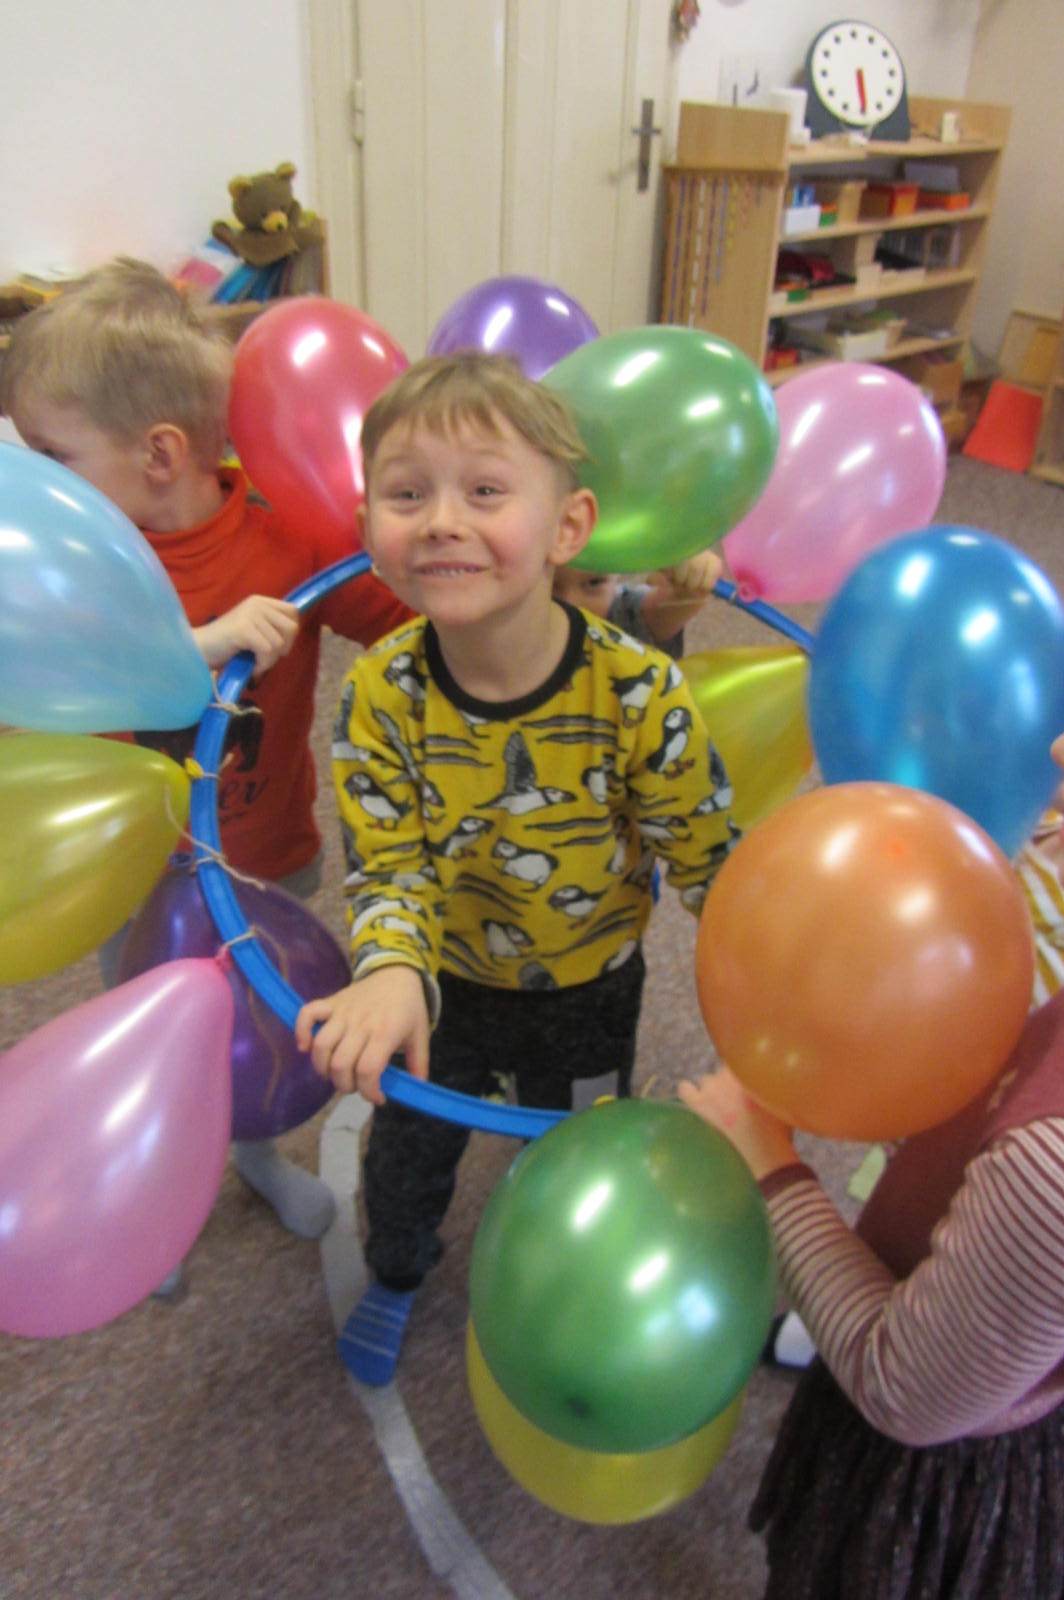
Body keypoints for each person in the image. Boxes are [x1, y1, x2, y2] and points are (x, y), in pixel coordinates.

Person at [294, 350, 739, 1384]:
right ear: (368, 529)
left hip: (590, 985)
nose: (441, 521)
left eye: (485, 492)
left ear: (567, 529)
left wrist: (773, 975)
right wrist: (389, 968)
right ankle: (397, 1270)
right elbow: (388, 867)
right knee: (407, 1150)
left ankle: (561, 1282)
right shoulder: (380, 693)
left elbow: (708, 857)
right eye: (407, 495)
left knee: (577, 1146)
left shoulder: (639, 692)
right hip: (442, 985)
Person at [0, 258, 412, 1280]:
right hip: (125, 870)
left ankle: (252, 1157)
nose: (33, 481)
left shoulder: (287, 533)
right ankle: (153, 1184)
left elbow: (400, 623)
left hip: (267, 851)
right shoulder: (65, 562)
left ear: (159, 452)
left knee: (255, 1028)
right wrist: (199, 644)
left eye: (51, 454)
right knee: (147, 1027)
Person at [678, 745, 1064, 1600]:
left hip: (941, 1462)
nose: (1056, 747)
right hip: (972, 1311)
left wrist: (771, 1169)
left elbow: (905, 1388)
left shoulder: (1051, 1172)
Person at [552, 548, 723, 659]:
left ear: (616, 574)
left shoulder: (621, 615)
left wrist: (692, 581)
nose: (570, 604)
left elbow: (674, 606)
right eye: (548, 583)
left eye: (594, 582)